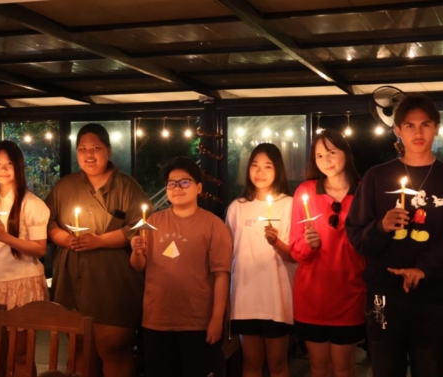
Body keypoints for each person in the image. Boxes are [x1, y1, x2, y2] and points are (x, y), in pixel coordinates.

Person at [346, 94, 443, 377]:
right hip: (384, 291)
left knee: (430, 368)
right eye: (410, 126)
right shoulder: (376, 177)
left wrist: (424, 268)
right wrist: (381, 226)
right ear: (397, 130)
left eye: (425, 125)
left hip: (432, 294)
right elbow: (357, 236)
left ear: (436, 128)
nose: (418, 132)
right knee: (385, 369)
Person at [46, 123, 147, 377]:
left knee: (113, 347)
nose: (88, 154)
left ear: (108, 150)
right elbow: (47, 221)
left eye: (96, 148)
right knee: (78, 348)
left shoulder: (126, 186)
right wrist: (65, 239)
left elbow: (140, 227)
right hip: (71, 277)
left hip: (112, 279)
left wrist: (99, 241)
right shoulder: (65, 186)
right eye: (82, 149)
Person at [130, 157, 232, 377]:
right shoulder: (152, 222)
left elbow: (222, 275)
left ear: (199, 187)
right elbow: (139, 266)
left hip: (197, 322)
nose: (177, 188)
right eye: (171, 183)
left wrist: (217, 319)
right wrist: (136, 252)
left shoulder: (213, 225)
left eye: (184, 182)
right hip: (157, 320)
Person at [290, 129, 365, 377]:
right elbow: (295, 248)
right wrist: (308, 245)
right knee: (318, 368)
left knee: (344, 368)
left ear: (346, 153)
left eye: (332, 152)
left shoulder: (363, 192)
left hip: (350, 293)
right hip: (312, 295)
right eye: (319, 156)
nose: (326, 160)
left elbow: (371, 245)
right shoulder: (306, 191)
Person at [0, 140, 50, 374]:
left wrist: (6, 237)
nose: (3, 169)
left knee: (21, 352)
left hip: (21, 281)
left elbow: (40, 249)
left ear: (19, 167)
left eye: (9, 164)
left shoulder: (32, 204)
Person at [225, 143, 295, 377]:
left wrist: (276, 242)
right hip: (244, 298)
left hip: (276, 297)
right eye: (255, 165)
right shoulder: (237, 207)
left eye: (267, 166)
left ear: (278, 170)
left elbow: (294, 255)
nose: (260, 172)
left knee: (277, 364)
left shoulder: (289, 205)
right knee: (251, 363)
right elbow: (228, 252)